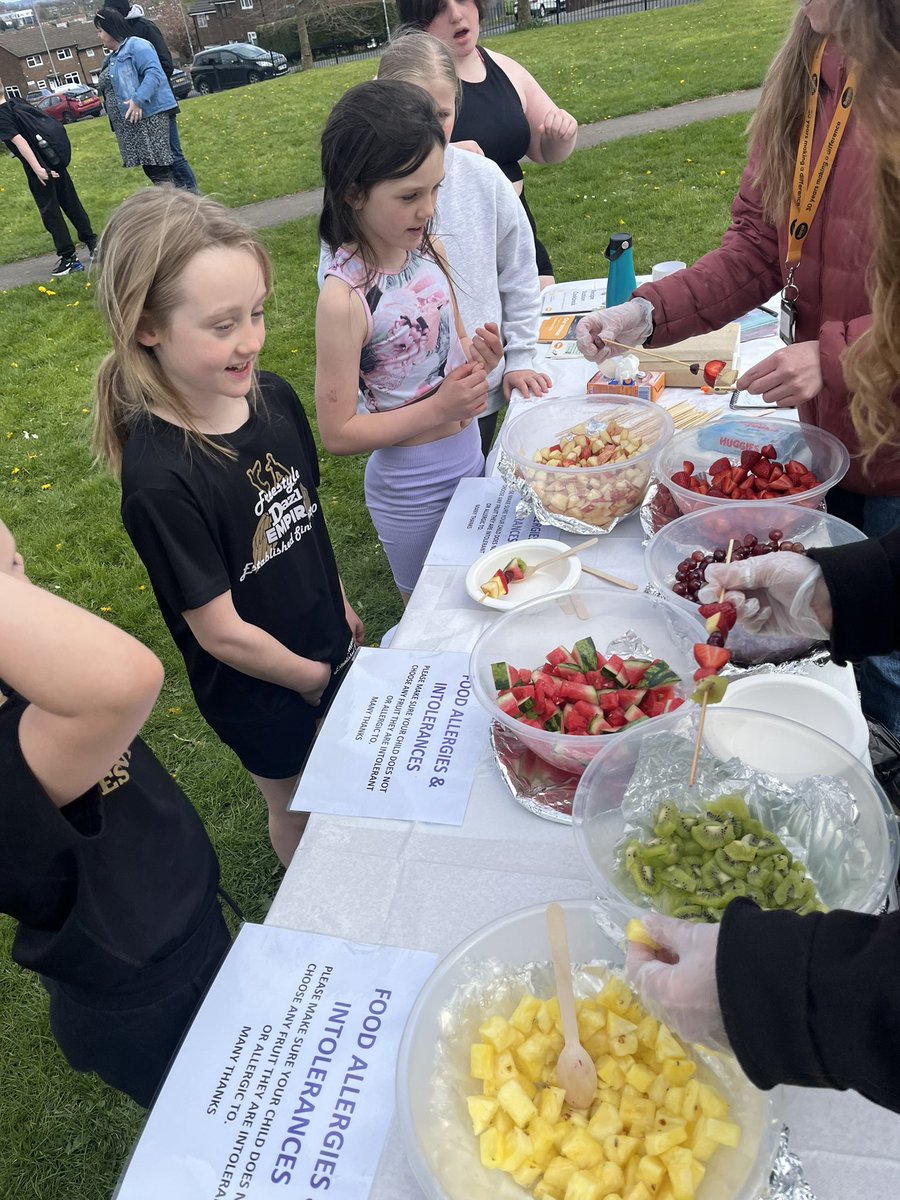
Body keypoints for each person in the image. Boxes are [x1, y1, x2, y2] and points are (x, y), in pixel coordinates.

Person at [576, 0, 900, 735]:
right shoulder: (811, 65)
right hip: (833, 441)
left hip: (892, 449)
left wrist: (833, 355)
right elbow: (759, 244)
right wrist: (649, 314)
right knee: (838, 627)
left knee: (887, 656)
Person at [91, 188, 364, 867]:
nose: (251, 340)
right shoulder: (160, 479)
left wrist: (340, 602)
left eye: (258, 313)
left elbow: (307, 513)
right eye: (222, 326)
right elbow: (220, 631)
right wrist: (308, 678)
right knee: (298, 803)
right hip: (262, 688)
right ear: (148, 326)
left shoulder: (272, 398)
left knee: (354, 776)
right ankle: (321, 908)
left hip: (325, 640)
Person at [0, 518, 230, 1108]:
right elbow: (118, 681)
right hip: (146, 994)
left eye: (17, 566)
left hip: (183, 927)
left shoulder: (29, 682)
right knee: (227, 1114)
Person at [316, 79, 504, 603]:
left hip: (469, 454)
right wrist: (437, 407)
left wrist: (481, 357)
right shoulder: (344, 297)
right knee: (438, 617)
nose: (427, 208)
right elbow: (338, 432)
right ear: (354, 193)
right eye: (409, 196)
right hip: (412, 490)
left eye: (435, 188)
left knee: (488, 597)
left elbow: (455, 343)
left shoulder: (429, 249)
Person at [375, 31, 551, 454]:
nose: (429, 129)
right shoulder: (365, 194)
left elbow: (520, 274)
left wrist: (521, 356)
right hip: (406, 412)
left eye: (441, 113)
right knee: (428, 508)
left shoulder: (484, 178)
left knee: (483, 502)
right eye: (413, 113)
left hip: (483, 388)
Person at [396, 0, 578, 288]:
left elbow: (544, 151)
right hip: (452, 251)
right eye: (440, 8)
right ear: (417, 19)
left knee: (540, 327)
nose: (456, 15)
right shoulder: (399, 81)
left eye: (463, 1)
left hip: (519, 239)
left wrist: (560, 137)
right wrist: (446, 157)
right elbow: (382, 171)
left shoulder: (505, 68)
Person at [102, 0, 199, 191]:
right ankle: (174, 202)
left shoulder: (143, 29)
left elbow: (163, 66)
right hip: (138, 112)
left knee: (173, 155)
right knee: (154, 162)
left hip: (157, 105)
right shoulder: (118, 39)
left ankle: (194, 201)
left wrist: (141, 94)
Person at [0, 92, 97, 276]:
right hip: (54, 160)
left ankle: (69, 259)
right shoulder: (17, 103)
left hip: (39, 169)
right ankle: (93, 243)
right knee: (71, 203)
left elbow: (20, 142)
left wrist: (38, 169)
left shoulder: (2, 115)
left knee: (50, 212)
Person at [94, 8, 179, 187]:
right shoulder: (115, 56)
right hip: (137, 121)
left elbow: (154, 73)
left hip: (151, 116)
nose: (99, 36)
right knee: (151, 168)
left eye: (100, 30)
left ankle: (175, 208)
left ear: (111, 28)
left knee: (160, 168)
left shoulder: (138, 45)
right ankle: (169, 207)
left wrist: (137, 100)